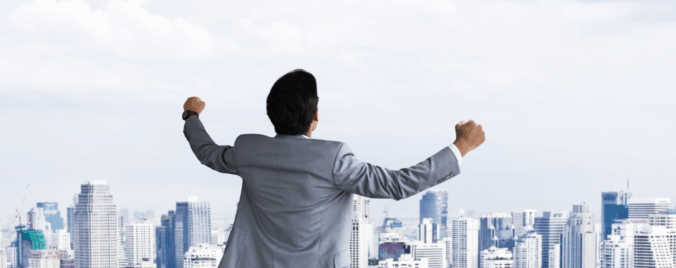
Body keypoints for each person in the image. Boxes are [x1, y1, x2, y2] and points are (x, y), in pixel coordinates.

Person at [182, 69, 486, 268]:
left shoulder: (248, 150)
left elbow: (206, 152)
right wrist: (462, 147)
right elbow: (397, 184)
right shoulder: (333, 158)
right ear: (315, 115)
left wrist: (191, 115)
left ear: (271, 114)